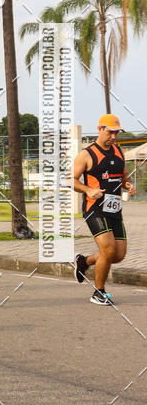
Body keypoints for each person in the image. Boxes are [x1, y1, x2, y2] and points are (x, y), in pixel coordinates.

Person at [74, 114, 136, 305]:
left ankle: (84, 262)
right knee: (108, 250)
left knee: (118, 255)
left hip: (114, 209)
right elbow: (71, 180)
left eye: (116, 133)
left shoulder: (118, 152)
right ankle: (98, 292)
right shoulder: (87, 154)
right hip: (95, 209)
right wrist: (88, 189)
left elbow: (123, 175)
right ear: (100, 129)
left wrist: (128, 185)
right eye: (110, 132)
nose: (113, 137)